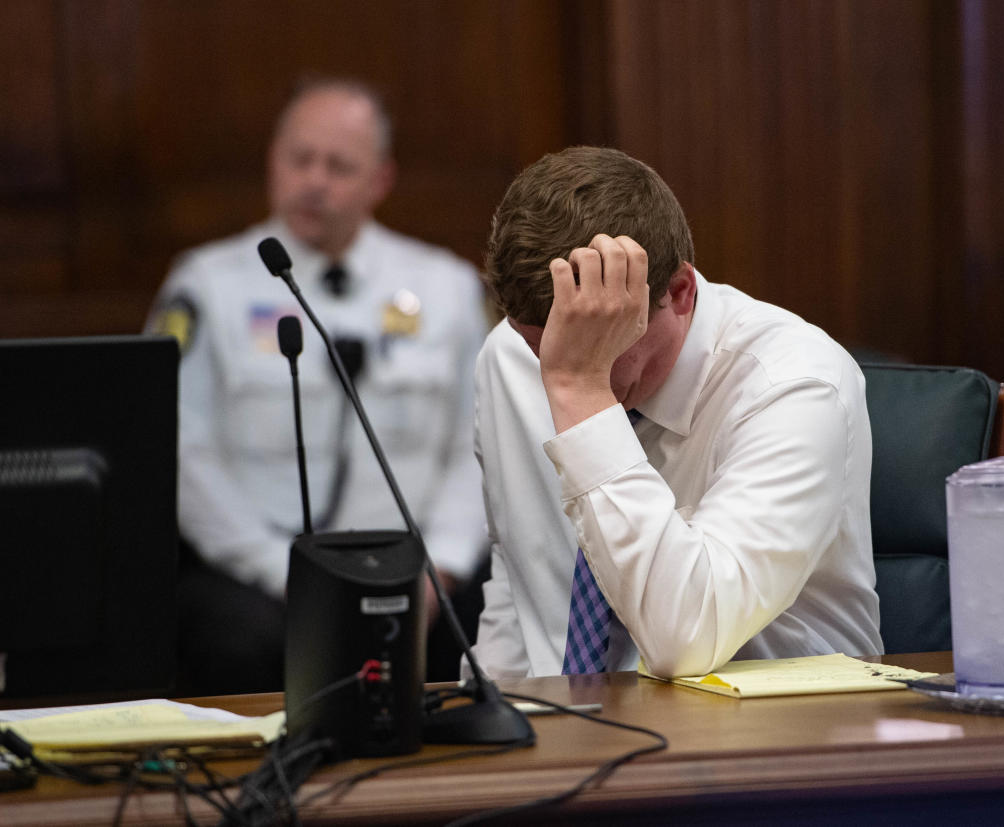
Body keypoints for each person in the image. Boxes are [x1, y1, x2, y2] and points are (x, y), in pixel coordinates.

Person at [471, 146, 882, 679]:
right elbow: (519, 583)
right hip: (563, 730)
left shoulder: (795, 382)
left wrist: (583, 392)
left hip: (770, 739)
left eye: (603, 337)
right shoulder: (508, 358)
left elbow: (685, 638)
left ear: (681, 292)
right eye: (544, 350)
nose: (566, 362)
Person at [147, 77, 489, 692]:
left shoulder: (446, 288)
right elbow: (181, 454)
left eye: (339, 166)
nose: (314, 181)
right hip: (261, 579)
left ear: (380, 181)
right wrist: (280, 573)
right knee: (227, 636)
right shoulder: (205, 287)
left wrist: (443, 568)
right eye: (299, 159)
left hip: (415, 570)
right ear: (272, 162)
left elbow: (480, 446)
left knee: (494, 624)